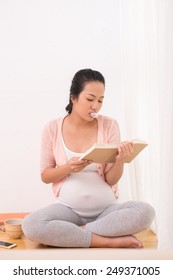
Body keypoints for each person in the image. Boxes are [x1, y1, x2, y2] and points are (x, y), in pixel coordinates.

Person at [22, 68, 155, 248]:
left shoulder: (109, 125)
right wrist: (68, 168)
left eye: (100, 100)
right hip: (68, 211)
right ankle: (106, 240)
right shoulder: (52, 128)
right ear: (73, 97)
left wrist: (120, 159)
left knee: (146, 212)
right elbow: (45, 176)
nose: (96, 106)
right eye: (90, 99)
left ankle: (76, 232)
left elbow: (111, 179)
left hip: (106, 211)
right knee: (31, 225)